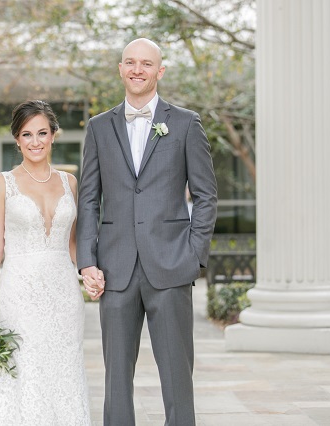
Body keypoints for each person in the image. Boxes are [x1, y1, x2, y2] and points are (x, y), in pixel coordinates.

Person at [77, 38, 218, 426]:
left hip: (171, 266)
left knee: (176, 376)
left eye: (146, 63)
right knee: (116, 379)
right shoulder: (99, 127)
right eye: (130, 62)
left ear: (161, 71)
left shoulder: (186, 123)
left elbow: (206, 195)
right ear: (120, 69)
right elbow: (88, 198)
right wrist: (87, 261)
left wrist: (192, 256)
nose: (137, 70)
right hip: (116, 269)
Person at [0, 100, 92, 425]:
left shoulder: (69, 183)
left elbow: (73, 243)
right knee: (23, 370)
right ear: (17, 139)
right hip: (21, 293)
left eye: (42, 133)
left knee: (63, 367)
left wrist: (90, 271)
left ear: (53, 135)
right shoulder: (2, 183)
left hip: (63, 294)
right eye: (27, 134)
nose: (35, 141)